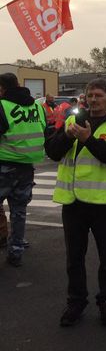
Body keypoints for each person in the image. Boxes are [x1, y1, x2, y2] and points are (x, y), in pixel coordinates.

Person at [45, 78, 106, 327]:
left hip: (105, 205)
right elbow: (52, 152)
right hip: (74, 203)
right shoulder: (73, 121)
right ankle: (76, 301)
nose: (93, 100)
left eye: (98, 95)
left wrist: (87, 139)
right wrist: (67, 136)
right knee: (74, 258)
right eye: (89, 95)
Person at [0, 73, 46, 266]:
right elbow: (44, 129)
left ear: (2, 88)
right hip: (27, 167)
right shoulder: (37, 106)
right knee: (19, 211)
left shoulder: (2, 106)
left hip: (4, 165)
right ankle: (16, 252)